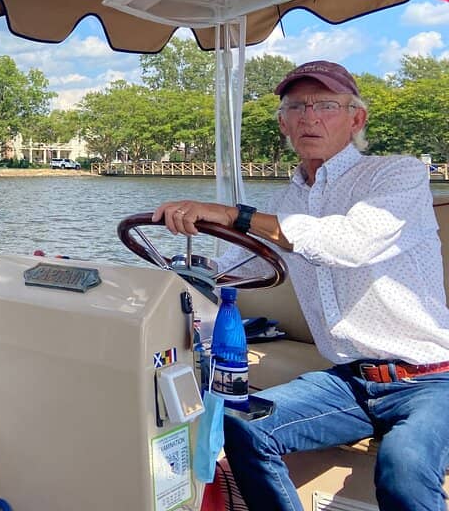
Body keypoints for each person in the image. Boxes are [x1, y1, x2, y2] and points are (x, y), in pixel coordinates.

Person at [152, 60, 449, 511]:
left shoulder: (397, 174)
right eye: (297, 107)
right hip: (352, 380)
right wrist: (179, 266)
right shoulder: (288, 200)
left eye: (327, 105)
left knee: (403, 463)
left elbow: (350, 243)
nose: (311, 117)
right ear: (283, 123)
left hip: (432, 378)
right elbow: (236, 268)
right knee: (242, 425)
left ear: (356, 119)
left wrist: (236, 214)